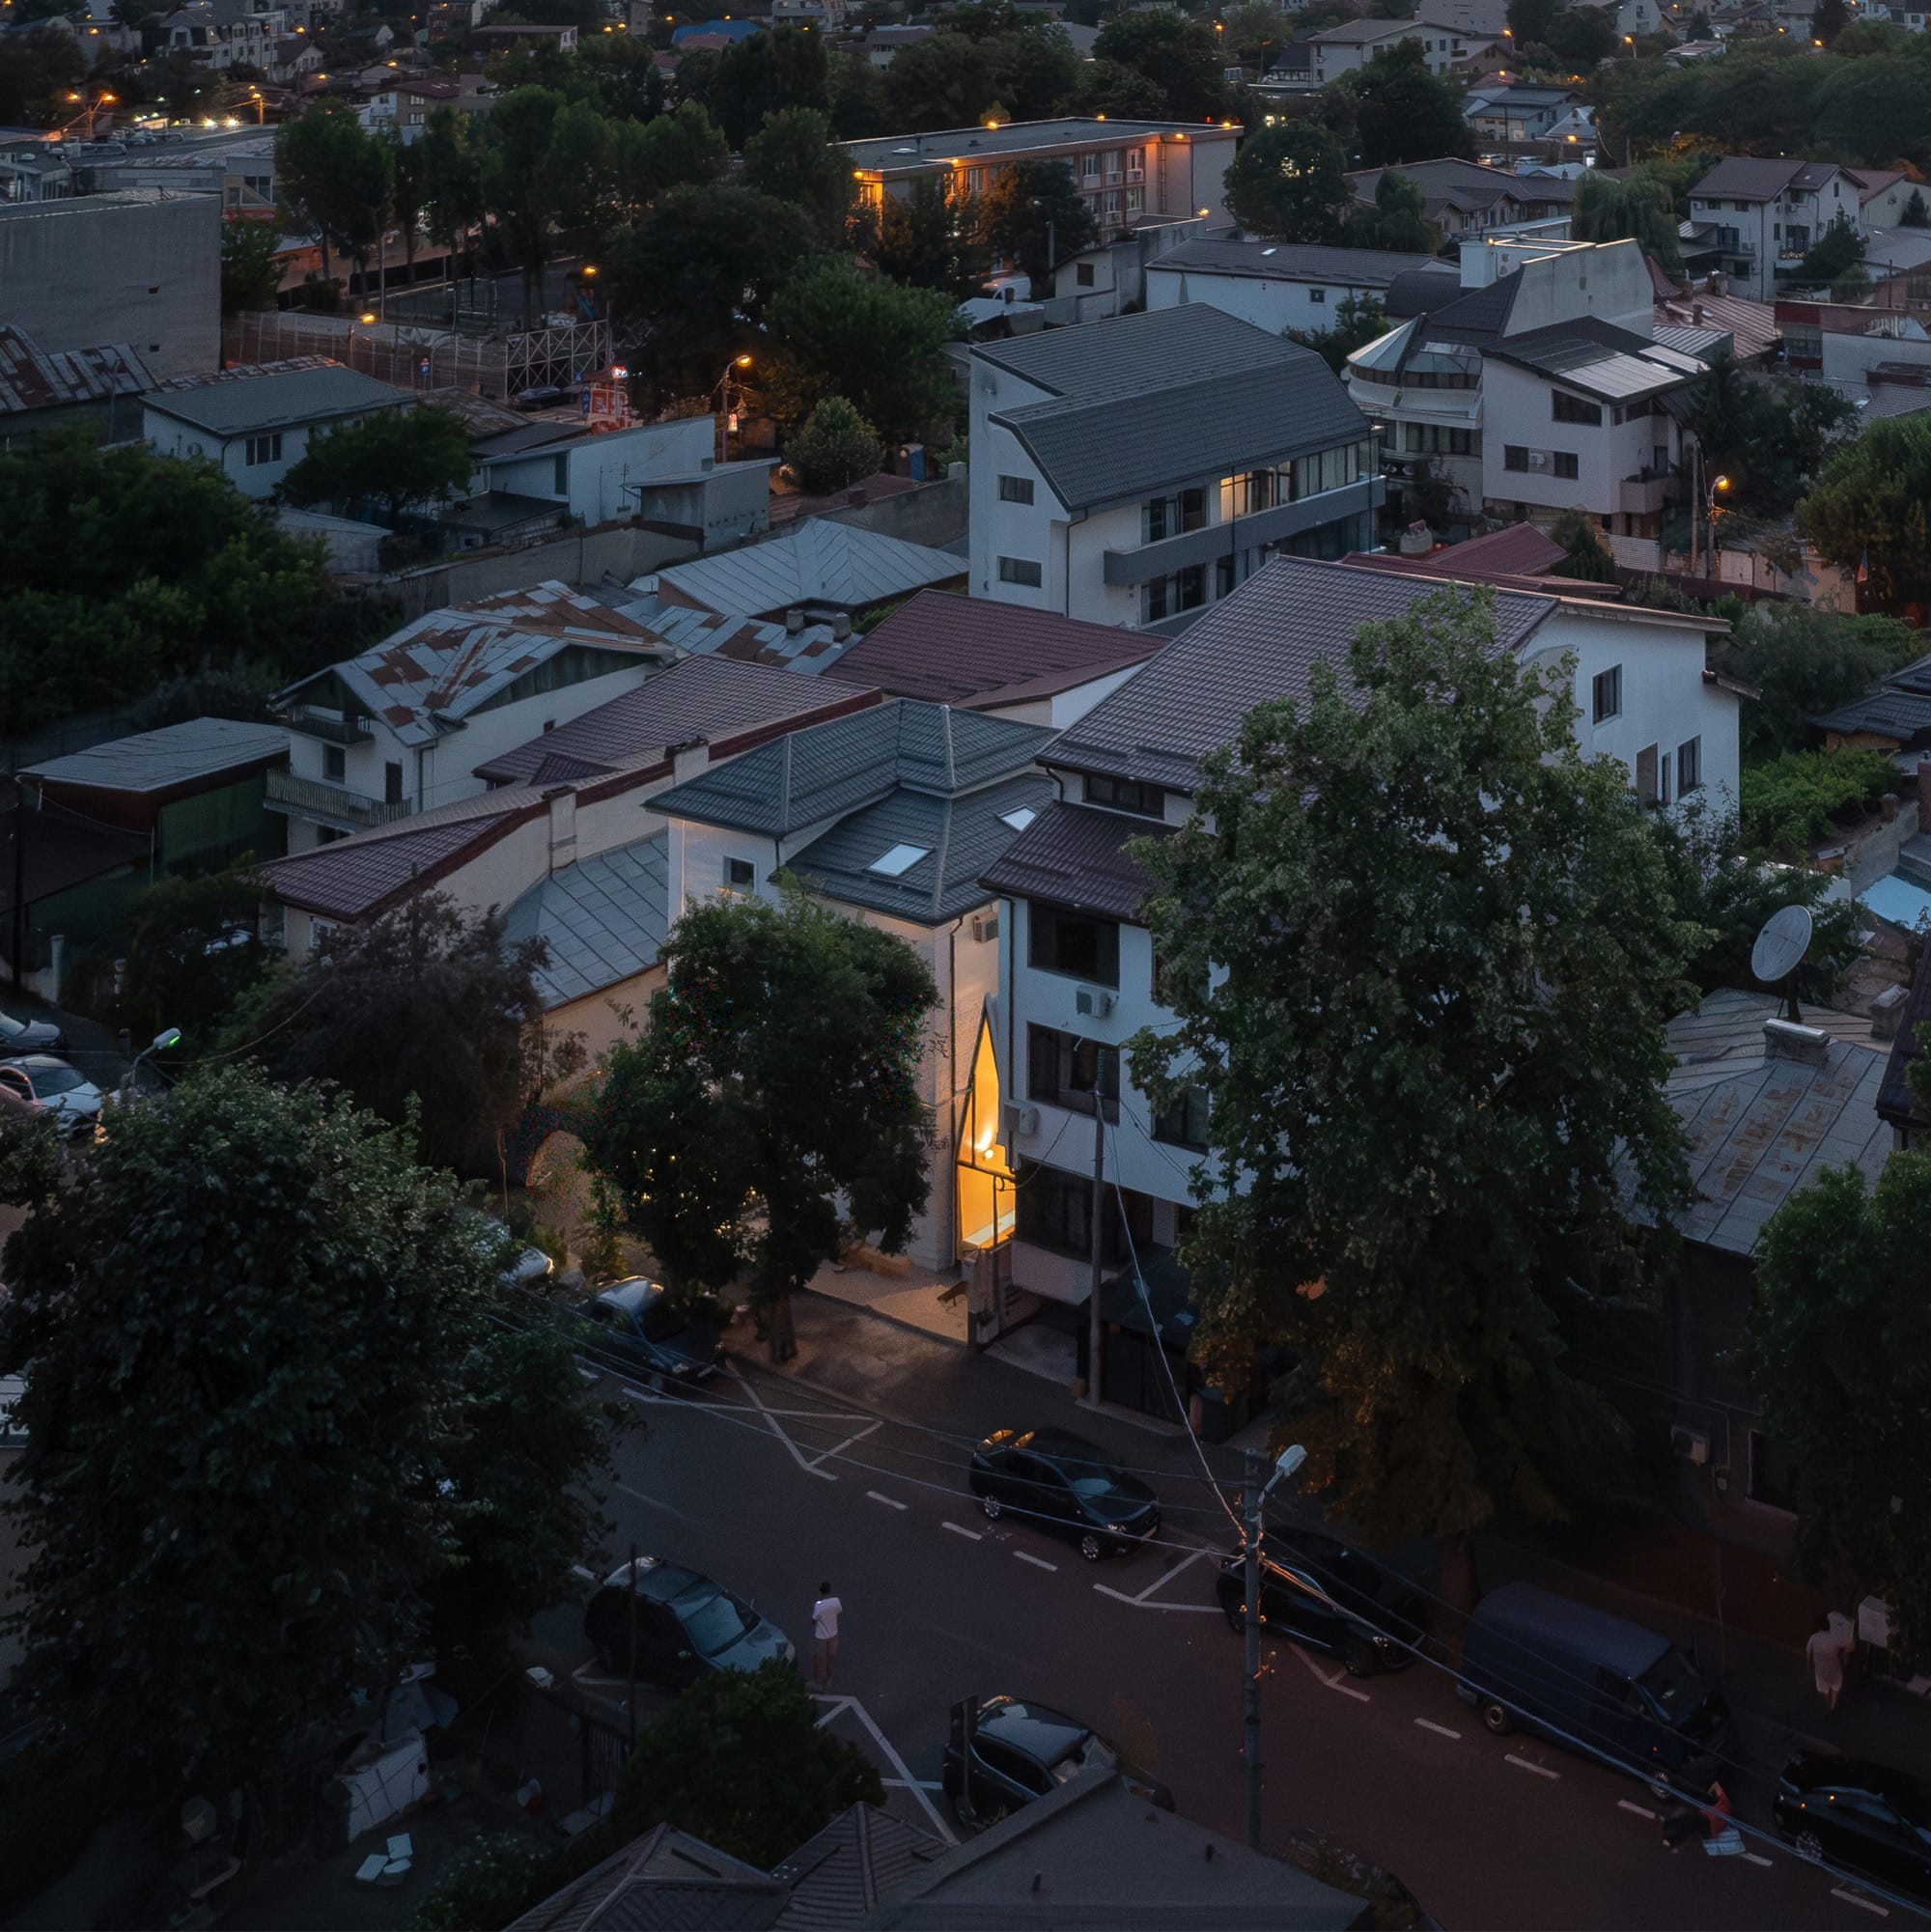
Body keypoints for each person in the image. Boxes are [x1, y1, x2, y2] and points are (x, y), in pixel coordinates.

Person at [1807, 1619, 1855, 1712]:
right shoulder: (1833, 1638)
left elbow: (1808, 1653)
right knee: (1835, 1690)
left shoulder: (1814, 1637)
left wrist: (1808, 1665)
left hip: (1821, 1672)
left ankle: (1827, 1704)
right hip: (1834, 1671)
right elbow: (1849, 1647)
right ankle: (1833, 1706)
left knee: (1825, 1690)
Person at [811, 1581, 843, 1691]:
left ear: (821, 1592)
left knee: (820, 1658)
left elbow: (813, 1620)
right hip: (833, 1634)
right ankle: (829, 1678)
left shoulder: (818, 1605)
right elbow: (839, 1611)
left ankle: (819, 1681)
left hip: (821, 1636)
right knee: (831, 1657)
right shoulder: (836, 1601)